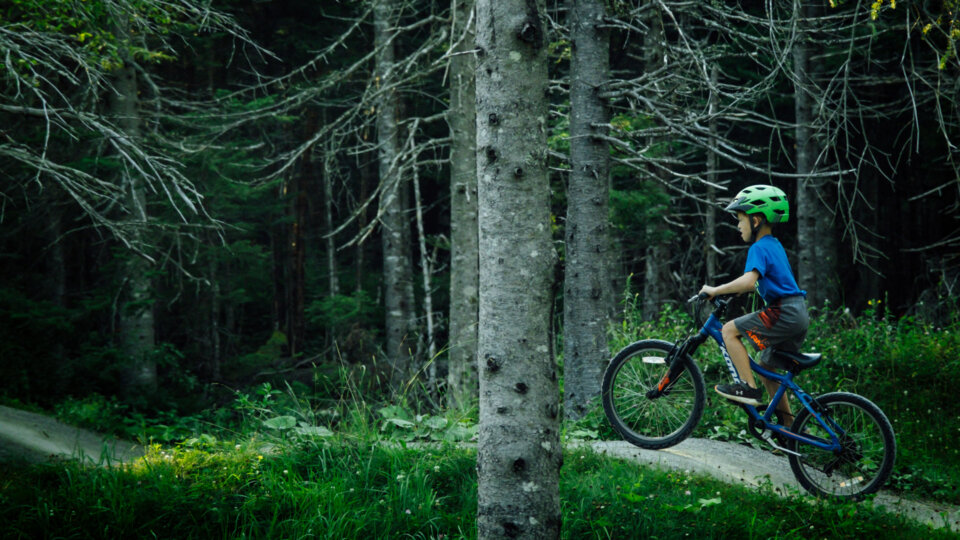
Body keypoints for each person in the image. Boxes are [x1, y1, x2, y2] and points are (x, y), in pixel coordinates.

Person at [699, 185, 808, 427]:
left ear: (755, 220)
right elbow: (764, 282)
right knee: (766, 366)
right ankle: (790, 430)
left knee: (729, 330)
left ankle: (747, 388)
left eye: (740, 219)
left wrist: (715, 290)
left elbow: (749, 281)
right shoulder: (773, 244)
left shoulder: (758, 247)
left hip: (784, 312)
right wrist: (732, 291)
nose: (738, 225)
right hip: (796, 312)